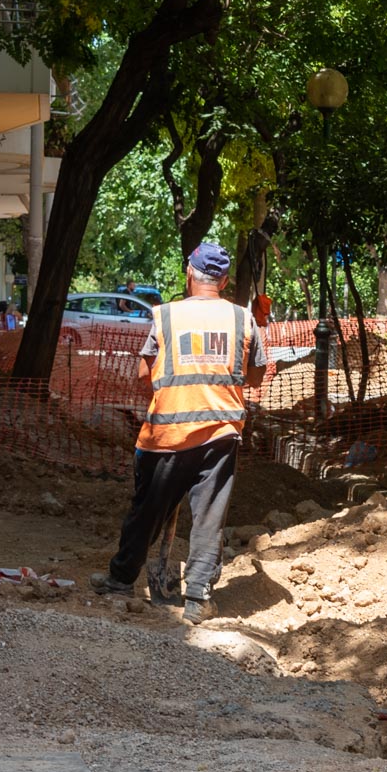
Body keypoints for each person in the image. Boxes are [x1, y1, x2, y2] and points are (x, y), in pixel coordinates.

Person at [91, 241, 267, 623]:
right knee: (208, 519)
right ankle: (198, 598)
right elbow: (254, 377)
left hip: (166, 435)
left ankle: (121, 580)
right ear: (223, 280)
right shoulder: (243, 319)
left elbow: (142, 374)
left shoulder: (166, 316)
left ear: (190, 273)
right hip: (220, 433)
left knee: (147, 511)